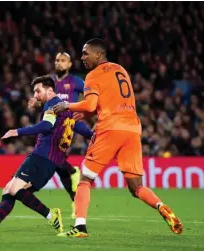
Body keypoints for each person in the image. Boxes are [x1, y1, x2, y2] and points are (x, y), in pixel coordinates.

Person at [53, 38, 183, 237]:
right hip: (132, 129)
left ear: (99, 54)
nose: (82, 57)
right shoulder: (120, 69)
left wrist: (67, 106)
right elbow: (110, 100)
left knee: (85, 179)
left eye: (86, 53)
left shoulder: (93, 75)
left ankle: (79, 227)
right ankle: (160, 206)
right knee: (136, 187)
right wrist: (88, 114)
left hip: (110, 128)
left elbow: (89, 104)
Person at [0, 75, 92, 236]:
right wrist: (94, 135)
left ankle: (49, 215)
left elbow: (47, 125)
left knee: (13, 189)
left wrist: (17, 131)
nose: (35, 95)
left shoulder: (52, 105)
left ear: (49, 90)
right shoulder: (67, 109)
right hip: (51, 160)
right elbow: (81, 129)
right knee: (9, 190)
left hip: (41, 156)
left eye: (37, 91)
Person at [28, 52, 93, 218]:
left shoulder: (76, 82)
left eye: (63, 60)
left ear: (70, 64)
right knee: (57, 163)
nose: (59, 63)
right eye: (57, 60)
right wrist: (35, 104)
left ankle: (73, 172)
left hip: (69, 123)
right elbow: (41, 100)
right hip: (51, 124)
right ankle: (74, 196)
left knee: (92, 136)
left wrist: (84, 111)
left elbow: (91, 98)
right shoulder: (48, 82)